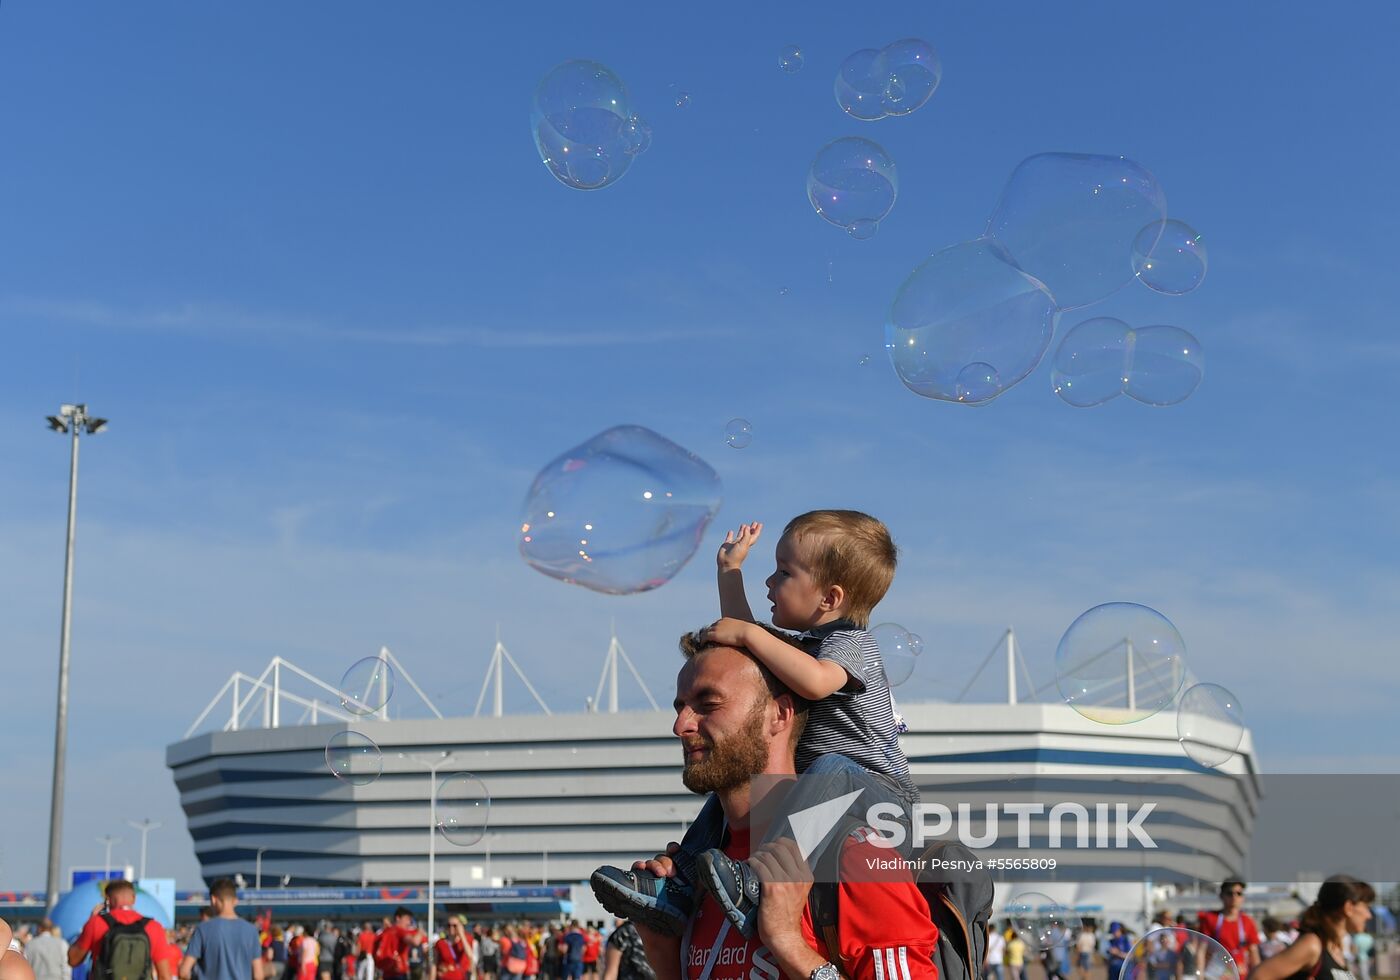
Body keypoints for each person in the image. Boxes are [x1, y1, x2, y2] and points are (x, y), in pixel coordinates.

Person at [594, 512, 913, 939]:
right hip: (824, 788)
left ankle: (759, 884)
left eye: (784, 572)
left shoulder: (853, 645)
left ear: (830, 597)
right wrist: (730, 571)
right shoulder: (803, 648)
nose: (770, 582)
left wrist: (747, 636)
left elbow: (815, 681)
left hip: (876, 789)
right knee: (725, 792)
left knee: (830, 765)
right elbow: (746, 636)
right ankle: (680, 884)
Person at [624, 627, 938, 980]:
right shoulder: (698, 872)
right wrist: (664, 956)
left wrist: (789, 943)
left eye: (708, 704)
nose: (681, 725)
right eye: (681, 707)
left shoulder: (856, 858)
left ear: (780, 714)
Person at [1251, 877, 1373, 980]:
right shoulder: (1312, 944)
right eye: (1366, 907)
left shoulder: (1335, 949)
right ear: (1348, 907)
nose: (1369, 915)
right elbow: (1257, 976)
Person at [69, 880, 173, 980]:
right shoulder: (153, 927)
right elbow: (164, 975)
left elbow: (73, 960)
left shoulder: (96, 923)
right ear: (134, 899)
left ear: (107, 900)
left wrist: (88, 925)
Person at [179, 879, 262, 980]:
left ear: (213, 900)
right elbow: (258, 975)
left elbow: (184, 972)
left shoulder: (203, 929)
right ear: (235, 901)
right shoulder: (251, 931)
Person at [1198, 881, 1261, 978]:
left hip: (1241, 974)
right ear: (1222, 896)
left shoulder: (1248, 921)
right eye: (1229, 893)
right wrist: (1200, 976)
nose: (1234, 897)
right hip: (1217, 974)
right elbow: (1201, 950)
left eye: (1238, 893)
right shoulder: (1210, 918)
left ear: (1242, 897)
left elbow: (1253, 952)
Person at [375, 911, 417, 980]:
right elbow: (414, 941)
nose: (385, 925)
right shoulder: (382, 934)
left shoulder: (394, 931)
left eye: (386, 923)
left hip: (395, 968)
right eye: (384, 923)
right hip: (392, 969)